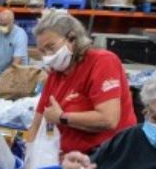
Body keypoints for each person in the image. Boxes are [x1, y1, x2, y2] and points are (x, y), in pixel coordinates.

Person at [31, 9, 135, 157]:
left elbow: (108, 119)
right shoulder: (55, 75)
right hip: (66, 158)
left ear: (72, 38)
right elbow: (41, 120)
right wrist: (33, 152)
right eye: (42, 51)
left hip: (103, 158)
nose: (47, 56)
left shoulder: (102, 62)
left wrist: (62, 117)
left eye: (51, 47)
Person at [0, 10, 28, 76]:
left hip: (16, 74)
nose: (2, 27)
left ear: (13, 22)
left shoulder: (20, 34)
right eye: (0, 24)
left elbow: (17, 62)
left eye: (5, 25)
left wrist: (4, 78)